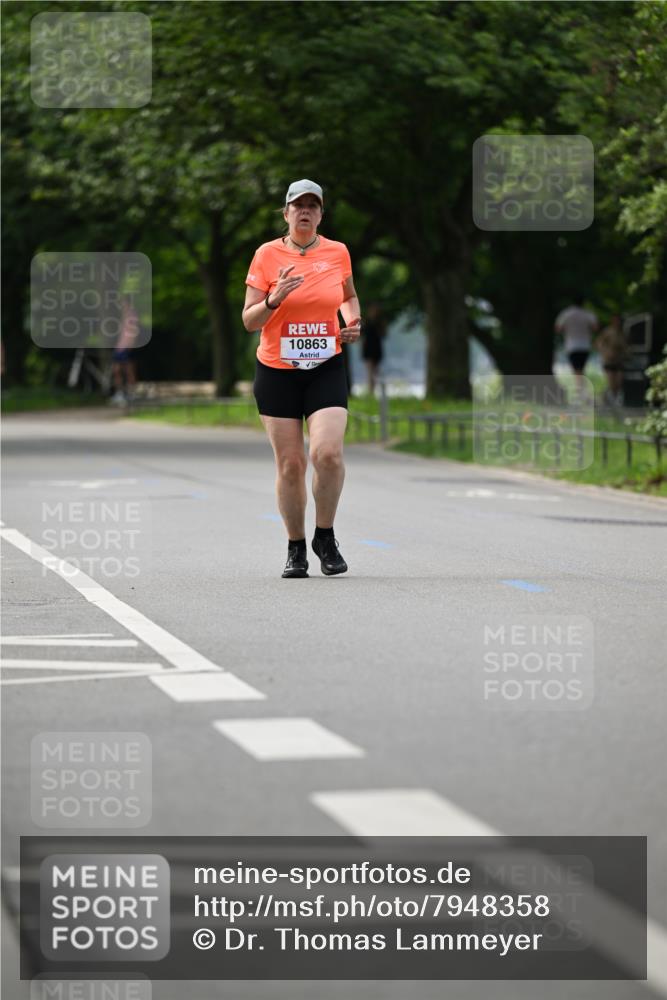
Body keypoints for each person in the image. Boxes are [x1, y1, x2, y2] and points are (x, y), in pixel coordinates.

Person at [242, 179, 362, 579]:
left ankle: (324, 537)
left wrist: (352, 321)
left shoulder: (338, 252)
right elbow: (248, 320)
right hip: (277, 370)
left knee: (326, 454)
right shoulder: (266, 255)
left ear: (321, 213)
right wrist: (274, 299)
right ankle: (295, 547)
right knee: (291, 464)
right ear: (286, 212)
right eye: (299, 205)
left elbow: (347, 296)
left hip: (326, 364)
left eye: (313, 205)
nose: (305, 211)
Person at [554, 295, 598, 398]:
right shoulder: (587, 314)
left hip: (571, 345)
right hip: (585, 345)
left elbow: (558, 328)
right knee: (581, 369)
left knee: (576, 370)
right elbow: (595, 327)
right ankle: (582, 390)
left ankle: (580, 391)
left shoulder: (566, 313)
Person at [110, 296, 139, 405]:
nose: (121, 306)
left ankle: (132, 394)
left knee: (129, 371)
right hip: (120, 347)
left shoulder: (131, 315)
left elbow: (134, 332)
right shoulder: (124, 316)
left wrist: (130, 346)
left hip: (126, 347)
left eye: (123, 303)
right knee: (117, 370)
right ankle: (120, 394)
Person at [595, 314, 627, 406]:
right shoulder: (608, 331)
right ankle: (609, 400)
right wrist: (605, 353)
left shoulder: (622, 333)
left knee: (618, 382)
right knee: (611, 382)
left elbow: (625, 347)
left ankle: (613, 399)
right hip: (608, 360)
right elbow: (599, 343)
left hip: (619, 360)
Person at [361, 302, 387, 395]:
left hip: (376, 347)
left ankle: (374, 389)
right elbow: (361, 334)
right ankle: (371, 390)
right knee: (370, 370)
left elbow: (384, 334)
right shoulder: (366, 321)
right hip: (368, 347)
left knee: (375, 370)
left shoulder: (380, 322)